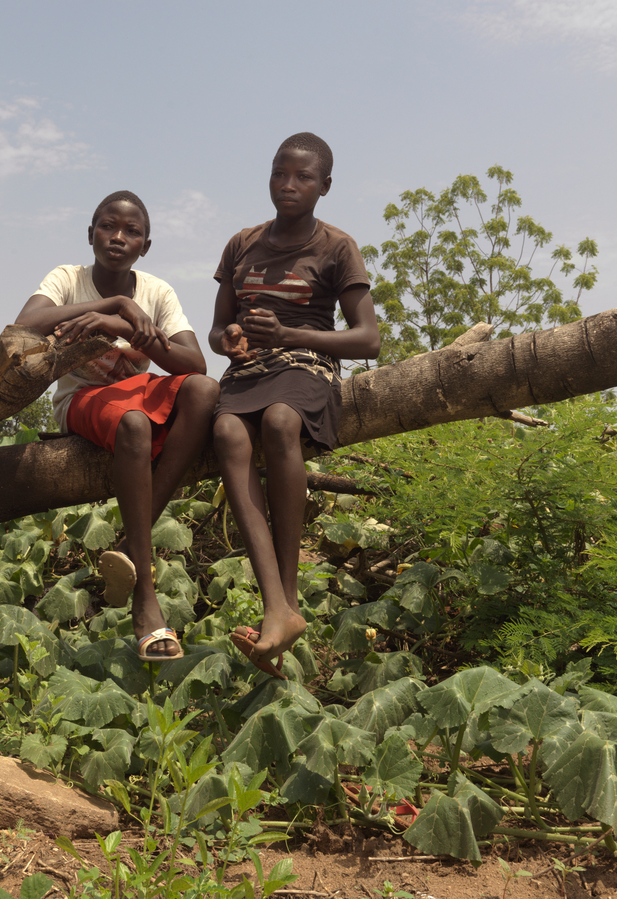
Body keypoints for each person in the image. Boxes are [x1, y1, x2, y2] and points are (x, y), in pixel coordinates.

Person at [15, 190, 219, 662]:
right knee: (133, 425)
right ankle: (146, 600)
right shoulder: (69, 278)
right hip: (82, 399)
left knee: (205, 393)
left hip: (138, 392)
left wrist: (127, 323)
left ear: (146, 246)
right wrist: (117, 305)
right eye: (108, 226)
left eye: (132, 231)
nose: (118, 237)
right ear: (91, 234)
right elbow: (25, 324)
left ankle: (132, 541)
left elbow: (196, 364)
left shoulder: (157, 291)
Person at [210, 133, 381, 678]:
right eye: (280, 173)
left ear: (324, 186)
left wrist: (287, 334)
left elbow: (368, 339)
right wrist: (230, 338)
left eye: (303, 177)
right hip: (249, 370)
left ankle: (283, 601)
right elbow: (217, 328)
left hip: (306, 362)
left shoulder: (336, 246)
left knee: (281, 423)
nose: (288, 185)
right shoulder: (242, 244)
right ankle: (279, 608)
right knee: (229, 436)